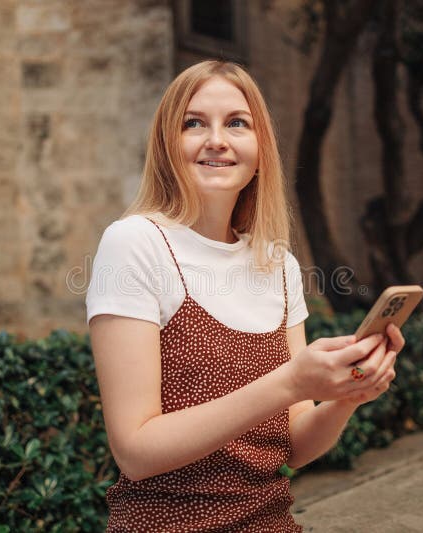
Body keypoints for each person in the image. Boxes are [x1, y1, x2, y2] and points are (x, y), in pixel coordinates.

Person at [85, 60, 405, 532]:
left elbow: (294, 447)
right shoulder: (135, 243)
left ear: (261, 148)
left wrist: (348, 395)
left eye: (237, 122)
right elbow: (135, 452)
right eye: (193, 123)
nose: (217, 139)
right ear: (167, 145)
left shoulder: (277, 265)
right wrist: (292, 382)